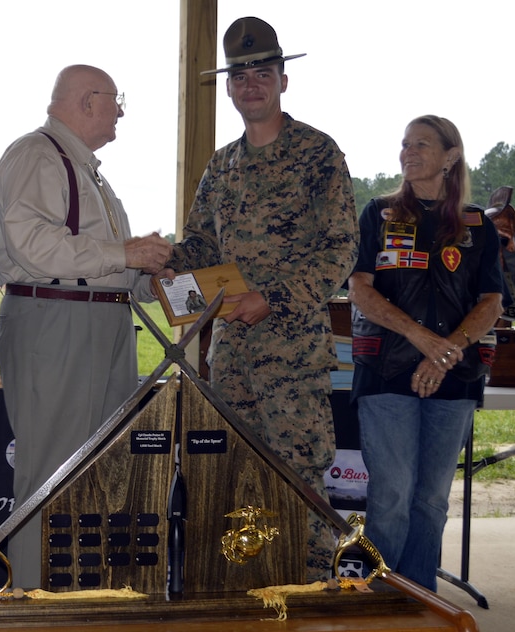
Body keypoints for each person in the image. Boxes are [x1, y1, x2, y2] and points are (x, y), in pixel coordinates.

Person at [166, 17, 358, 582]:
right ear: (228, 87)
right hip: (230, 357)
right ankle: (254, 591)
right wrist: (161, 263)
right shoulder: (220, 167)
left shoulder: (318, 154)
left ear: (282, 80)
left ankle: (314, 595)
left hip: (293, 357)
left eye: (263, 73)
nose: (251, 83)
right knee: (236, 476)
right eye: (240, 75)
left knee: (298, 478)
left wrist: (272, 298)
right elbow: (200, 243)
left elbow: (339, 249)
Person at [0, 64, 172, 588]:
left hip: (102, 322)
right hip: (57, 322)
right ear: (88, 101)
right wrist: (127, 252)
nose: (120, 112)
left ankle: (76, 595)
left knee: (96, 471)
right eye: (116, 101)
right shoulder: (36, 154)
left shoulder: (86, 169)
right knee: (51, 471)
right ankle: (30, 598)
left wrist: (154, 278)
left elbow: (105, 265)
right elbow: (35, 245)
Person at [348, 115, 504, 591]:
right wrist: (422, 340)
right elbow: (359, 288)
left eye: (421, 144)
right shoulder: (379, 213)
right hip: (386, 374)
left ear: (450, 157)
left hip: (455, 378)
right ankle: (381, 604)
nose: (408, 152)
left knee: (432, 499)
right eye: (404, 144)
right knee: (391, 495)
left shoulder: (478, 225)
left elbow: (492, 302)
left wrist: (445, 352)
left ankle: (419, 601)